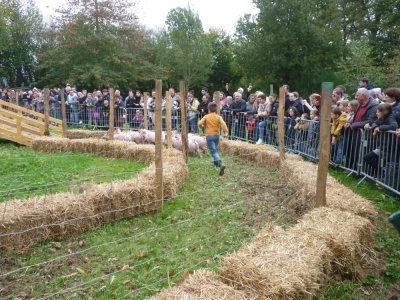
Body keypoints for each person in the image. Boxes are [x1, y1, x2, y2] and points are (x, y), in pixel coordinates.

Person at [198, 102, 229, 176]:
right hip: (216, 136)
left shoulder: (206, 116)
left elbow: (199, 123)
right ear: (216, 109)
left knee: (213, 150)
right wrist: (226, 132)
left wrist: (201, 127)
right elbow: (224, 124)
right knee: (215, 149)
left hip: (209, 136)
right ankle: (216, 163)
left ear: (208, 109)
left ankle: (220, 164)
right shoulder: (218, 117)